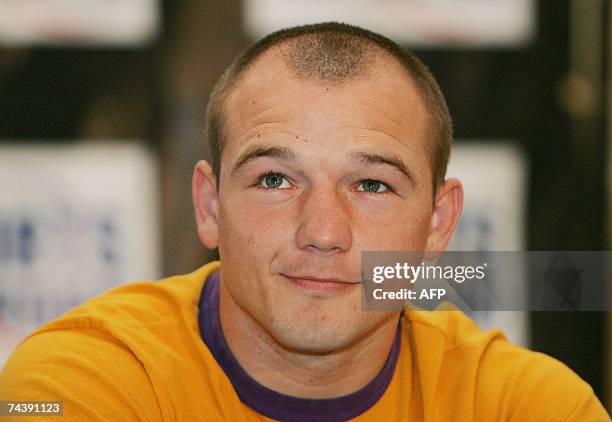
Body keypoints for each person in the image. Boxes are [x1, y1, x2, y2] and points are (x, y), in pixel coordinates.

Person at [0, 22, 609, 421]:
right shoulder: (79, 384)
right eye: (275, 180)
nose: (322, 231)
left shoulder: (527, 406)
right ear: (210, 206)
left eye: (372, 185)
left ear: (438, 223)